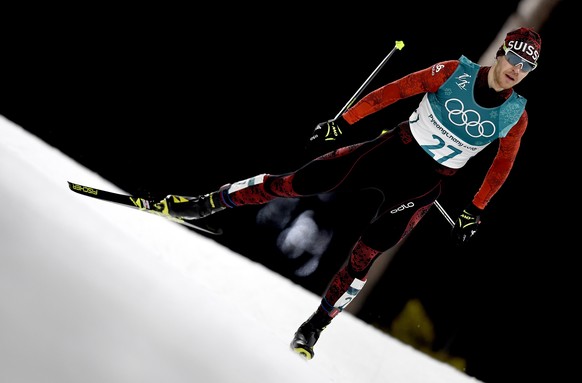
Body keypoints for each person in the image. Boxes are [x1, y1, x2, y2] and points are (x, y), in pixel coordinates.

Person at [154, 27, 541, 360]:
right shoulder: (454, 72)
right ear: (501, 52)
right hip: (389, 152)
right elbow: (395, 91)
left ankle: (315, 327)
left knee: (366, 253)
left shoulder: (516, 117)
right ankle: (205, 205)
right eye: (514, 59)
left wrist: (474, 210)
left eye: (526, 68)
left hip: (422, 185)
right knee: (296, 183)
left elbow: (501, 166)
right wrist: (344, 123)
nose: (515, 71)